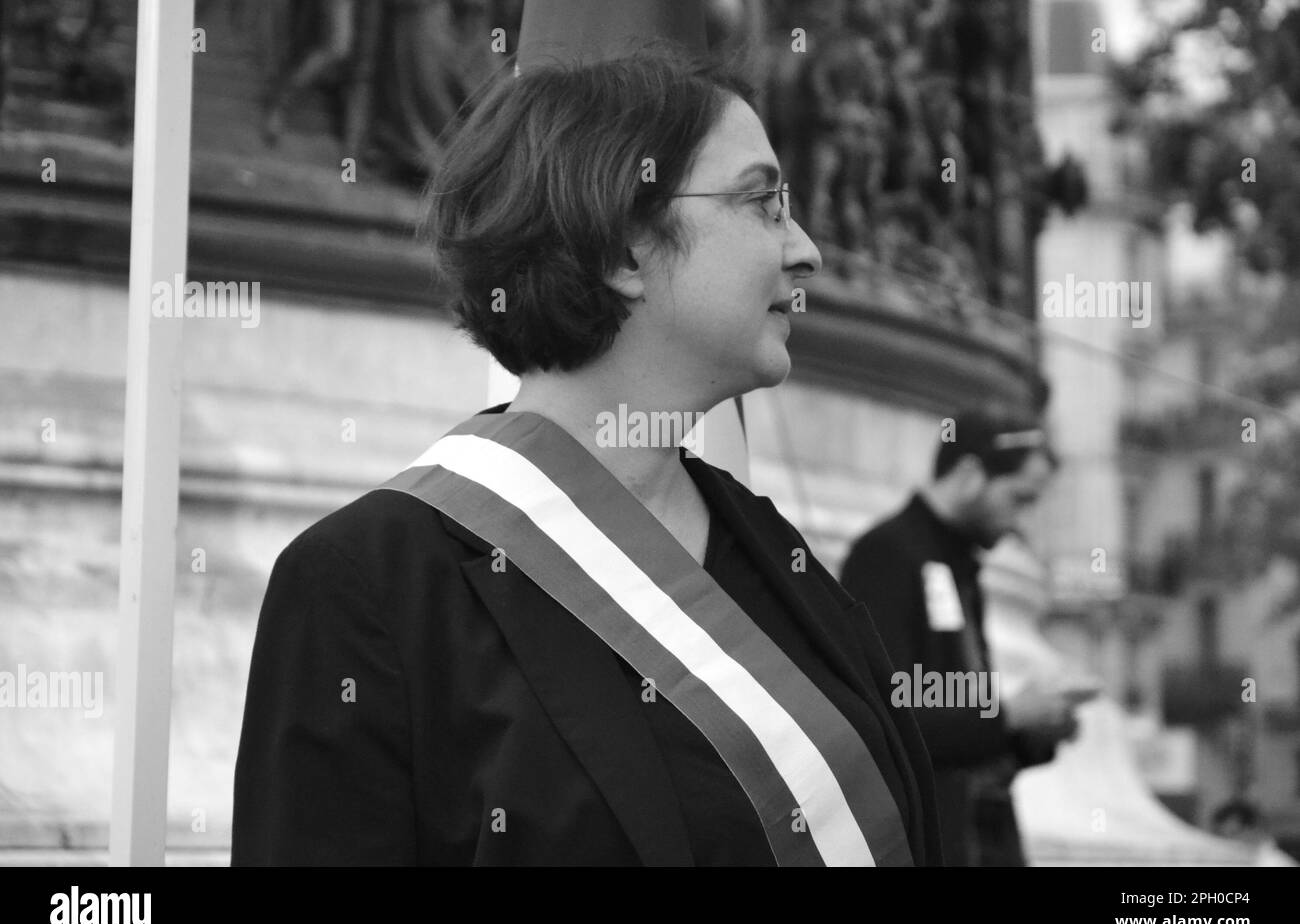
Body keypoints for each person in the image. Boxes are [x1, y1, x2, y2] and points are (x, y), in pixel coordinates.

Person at [231, 47, 942, 866]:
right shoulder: (368, 586)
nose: (808, 250)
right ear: (623, 251)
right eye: (764, 203)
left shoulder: (773, 553)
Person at [839, 409, 1080, 866]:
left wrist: (1036, 729)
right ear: (970, 473)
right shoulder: (887, 555)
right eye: (1019, 499)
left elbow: (962, 721)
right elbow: (893, 718)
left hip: (980, 838)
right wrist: (1010, 717)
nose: (1018, 523)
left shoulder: (960, 567)